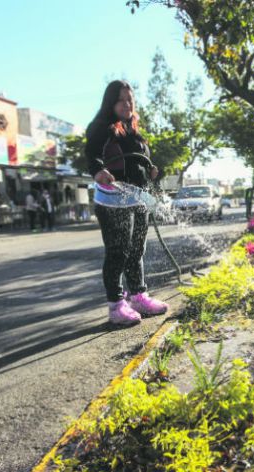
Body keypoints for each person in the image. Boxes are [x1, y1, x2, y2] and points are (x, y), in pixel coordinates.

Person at [85, 80, 169, 325]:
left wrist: (150, 171)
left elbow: (138, 159)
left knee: (136, 251)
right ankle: (116, 305)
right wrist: (99, 171)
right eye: (122, 100)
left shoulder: (131, 129)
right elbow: (92, 155)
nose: (127, 104)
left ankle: (138, 296)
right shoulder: (102, 126)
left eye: (130, 99)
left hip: (137, 197)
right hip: (113, 200)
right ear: (111, 102)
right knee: (117, 253)